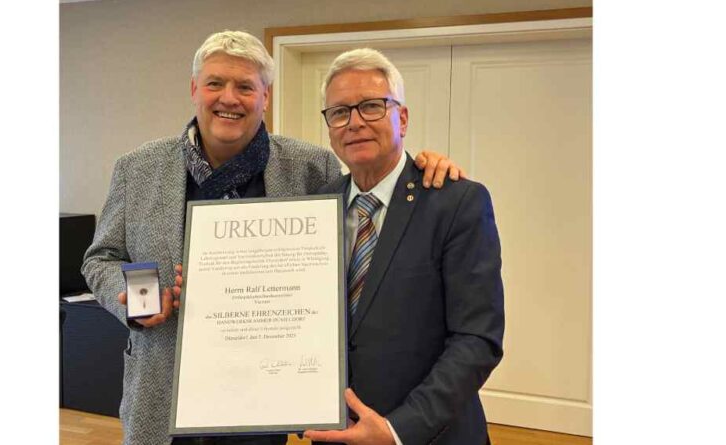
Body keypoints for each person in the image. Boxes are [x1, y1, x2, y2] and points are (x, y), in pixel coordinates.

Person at [81, 31, 461, 445]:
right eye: (215, 83)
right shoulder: (138, 169)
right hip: (162, 393)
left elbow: (370, 183)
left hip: (267, 398)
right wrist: (140, 296)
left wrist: (423, 166)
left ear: (266, 97)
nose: (229, 98)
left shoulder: (310, 167)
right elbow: (100, 257)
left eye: (245, 86)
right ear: (194, 89)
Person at [302, 48, 505, 445]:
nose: (355, 122)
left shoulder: (455, 202)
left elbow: (477, 339)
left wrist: (398, 431)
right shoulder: (315, 209)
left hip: (430, 436)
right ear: (329, 127)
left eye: (372, 106)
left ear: (403, 117)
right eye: (340, 112)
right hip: (337, 435)